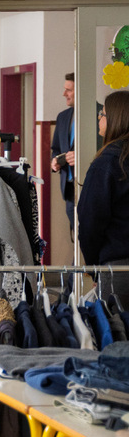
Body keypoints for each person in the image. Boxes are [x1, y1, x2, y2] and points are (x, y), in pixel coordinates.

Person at [77, 90, 129, 310]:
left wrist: (94, 268)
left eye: (103, 113)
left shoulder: (106, 164)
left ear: (117, 119)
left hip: (118, 270)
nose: (99, 118)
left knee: (115, 329)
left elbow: (90, 223)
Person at [50, 73, 76, 228]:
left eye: (69, 90)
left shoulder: (99, 114)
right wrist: (54, 161)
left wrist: (82, 157)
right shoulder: (62, 117)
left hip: (90, 187)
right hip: (69, 189)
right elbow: (56, 149)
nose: (64, 94)